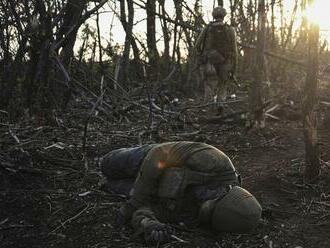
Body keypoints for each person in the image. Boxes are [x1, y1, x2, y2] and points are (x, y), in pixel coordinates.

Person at [100, 142, 262, 244]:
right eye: (212, 197)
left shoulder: (192, 216)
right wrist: (133, 203)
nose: (202, 200)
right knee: (107, 164)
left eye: (207, 210)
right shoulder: (215, 162)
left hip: (149, 190)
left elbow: (146, 211)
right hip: (150, 161)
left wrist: (149, 225)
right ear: (224, 191)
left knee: (107, 185)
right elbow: (160, 154)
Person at [194, 6, 238, 108]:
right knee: (223, 84)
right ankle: (220, 105)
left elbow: (197, 45)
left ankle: (208, 110)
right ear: (224, 16)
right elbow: (235, 52)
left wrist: (201, 56)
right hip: (225, 62)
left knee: (209, 85)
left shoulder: (208, 28)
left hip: (209, 62)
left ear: (213, 15)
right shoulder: (230, 30)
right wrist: (234, 70)